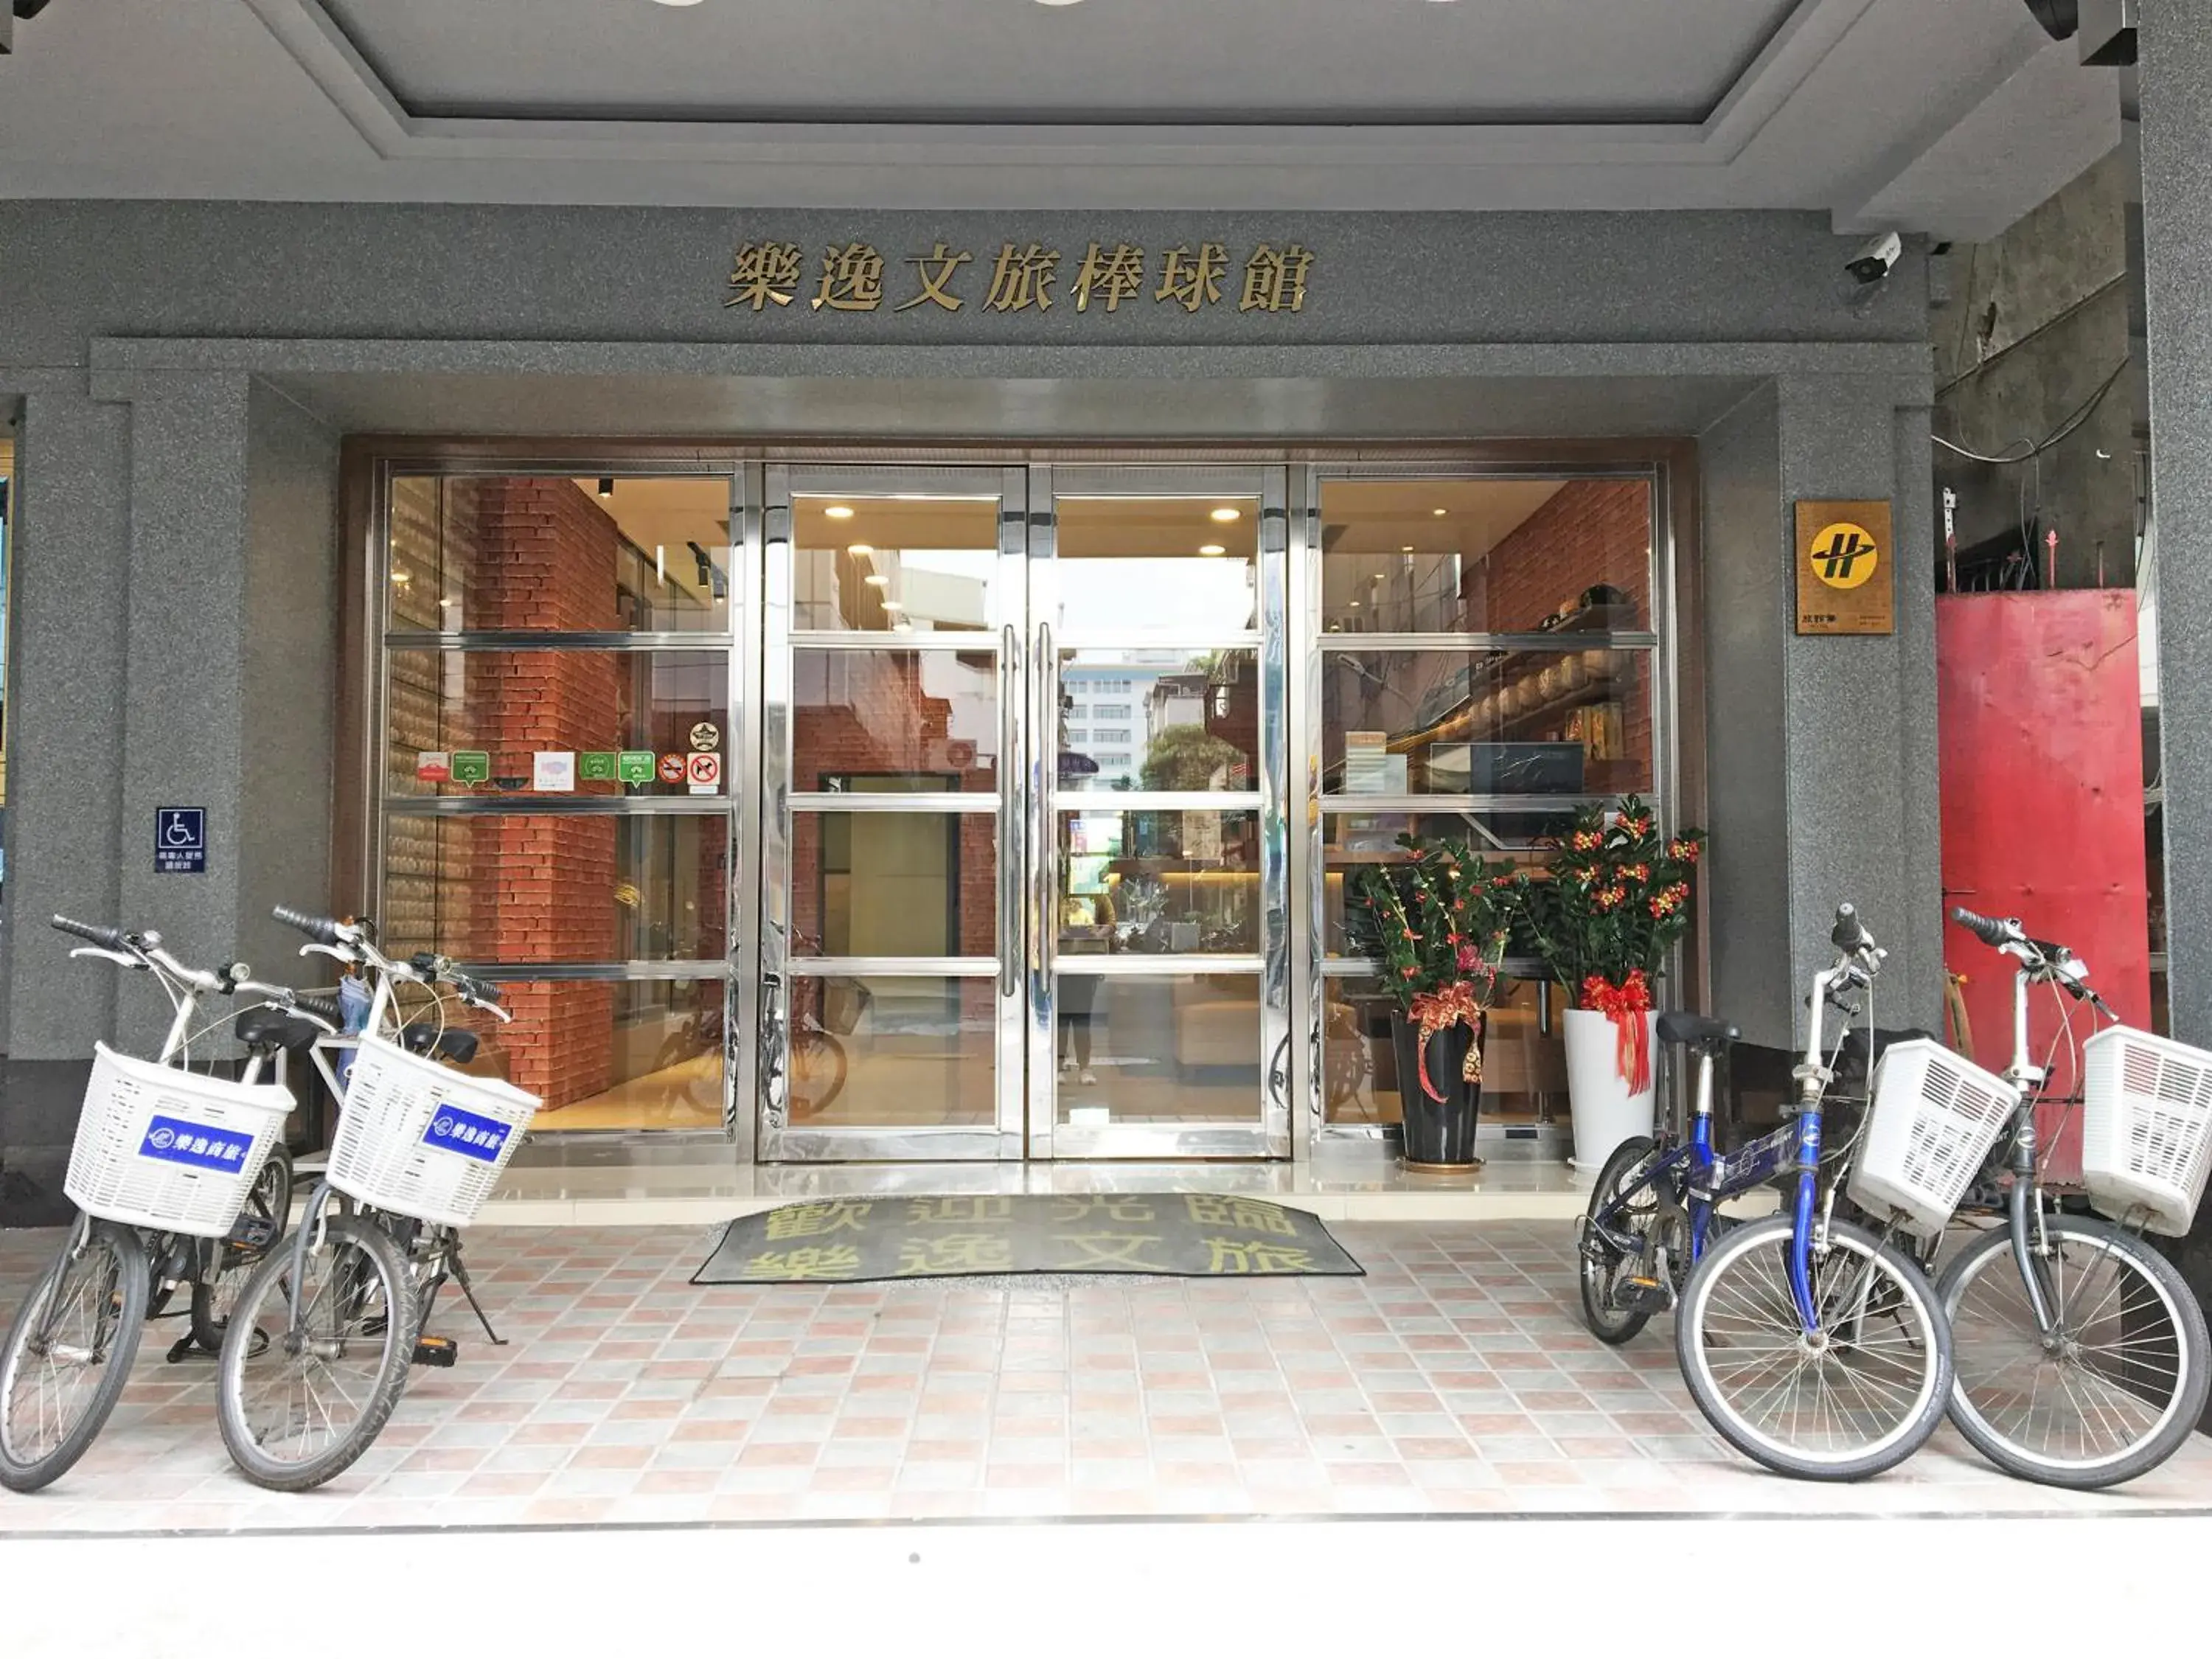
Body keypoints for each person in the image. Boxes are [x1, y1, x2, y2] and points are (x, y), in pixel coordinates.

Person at [1058, 880, 1116, 1086]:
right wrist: (1060, 933)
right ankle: (1058, 1066)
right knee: (1061, 1018)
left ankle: (1085, 1067)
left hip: (1086, 962)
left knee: (1082, 1017)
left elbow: (1110, 924)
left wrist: (1094, 935)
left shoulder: (1100, 897)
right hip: (1061, 962)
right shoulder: (1058, 896)